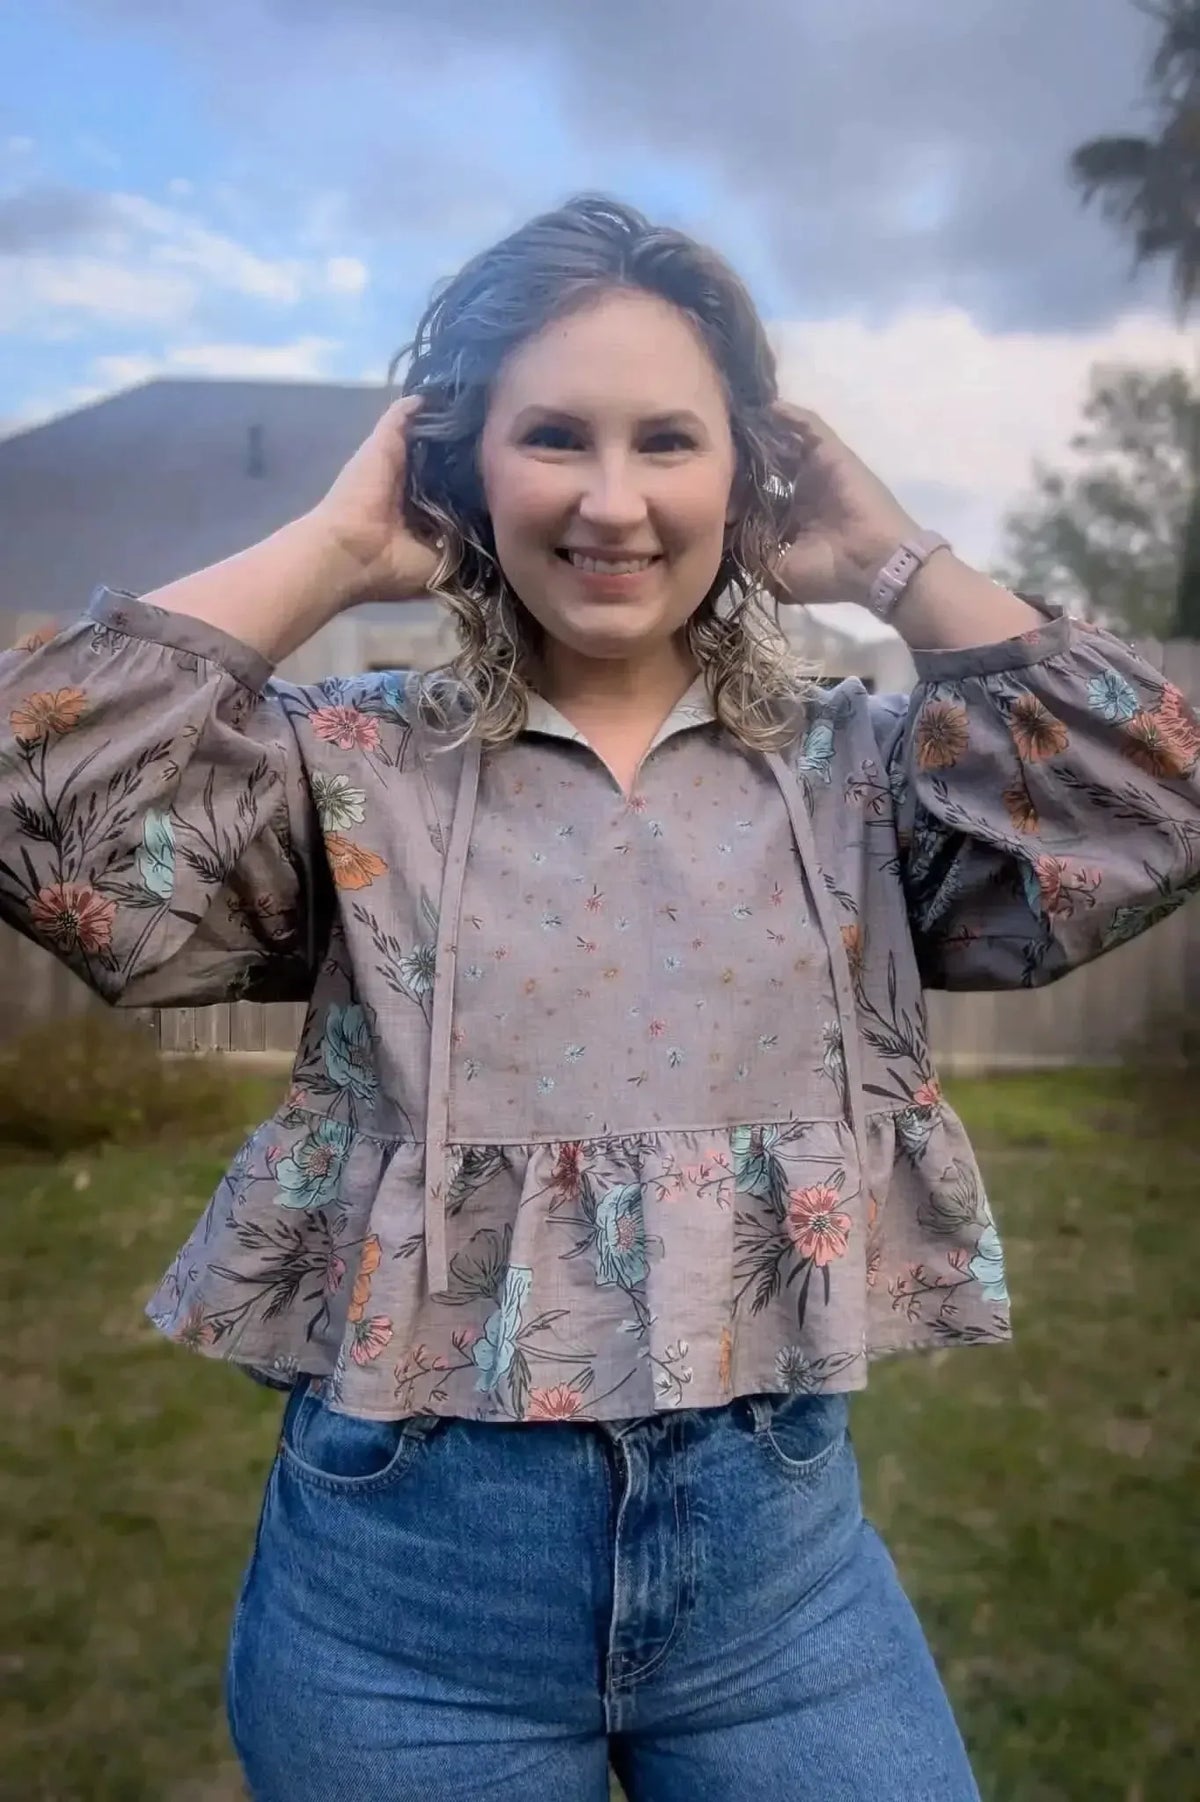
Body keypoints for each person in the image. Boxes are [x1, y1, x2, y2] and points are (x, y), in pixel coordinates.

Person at [2, 195, 1197, 1802]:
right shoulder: (351, 767)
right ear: (465, 466)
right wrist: (342, 545)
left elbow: (1156, 794)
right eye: (553, 435)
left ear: (747, 470)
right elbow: (36, 790)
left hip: (782, 1595)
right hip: (408, 1612)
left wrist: (888, 559)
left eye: (671, 441)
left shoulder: (859, 779)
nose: (615, 500)